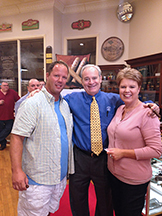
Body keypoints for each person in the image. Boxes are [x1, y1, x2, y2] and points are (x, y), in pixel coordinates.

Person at [28, 64, 159, 216]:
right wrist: (37, 93)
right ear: (82, 82)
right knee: (77, 198)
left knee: (105, 200)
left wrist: (153, 105)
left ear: (101, 79)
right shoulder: (71, 99)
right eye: (87, 79)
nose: (91, 82)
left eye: (94, 78)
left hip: (104, 159)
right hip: (80, 159)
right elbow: (52, 98)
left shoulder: (115, 100)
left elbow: (134, 101)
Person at [9, 61, 74, 216]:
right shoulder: (32, 103)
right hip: (37, 180)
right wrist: (16, 170)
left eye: (64, 77)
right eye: (56, 75)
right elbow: (17, 137)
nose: (60, 80)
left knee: (50, 212)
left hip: (58, 177)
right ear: (47, 76)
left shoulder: (64, 105)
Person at [106, 67, 162, 216]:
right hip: (114, 175)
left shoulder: (147, 113)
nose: (127, 90)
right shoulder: (120, 109)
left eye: (132, 86)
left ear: (139, 88)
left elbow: (157, 150)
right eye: (123, 86)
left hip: (133, 181)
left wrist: (123, 153)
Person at [0, 82, 20, 150]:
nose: (6, 87)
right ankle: (3, 145)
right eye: (4, 85)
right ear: (1, 86)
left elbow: (19, 101)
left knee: (8, 130)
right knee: (1, 131)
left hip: (10, 116)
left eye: (7, 85)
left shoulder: (12, 92)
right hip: (0, 117)